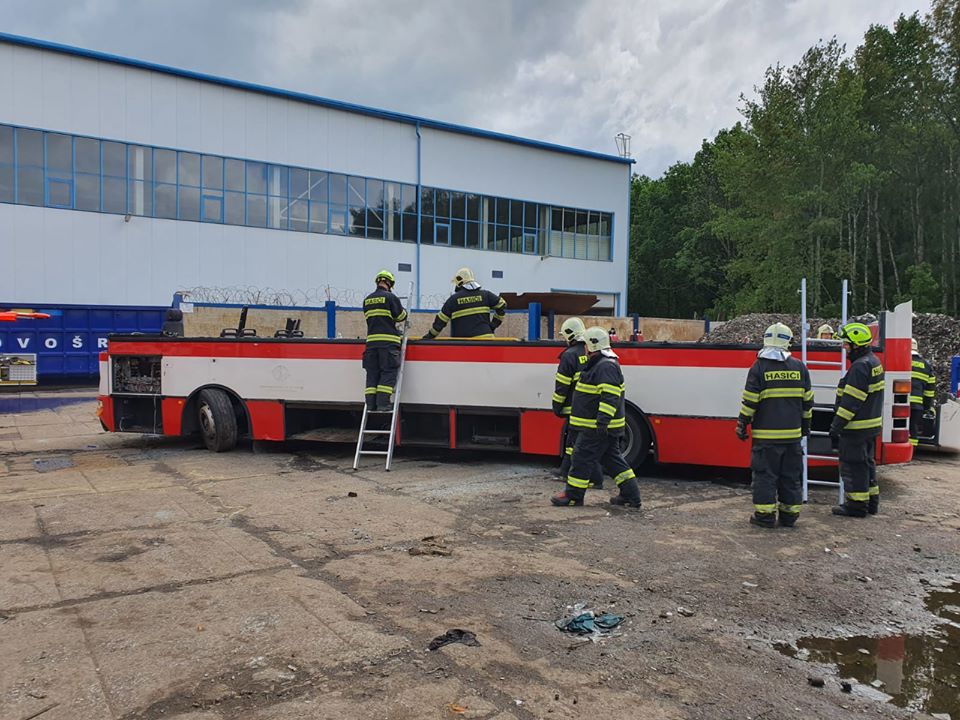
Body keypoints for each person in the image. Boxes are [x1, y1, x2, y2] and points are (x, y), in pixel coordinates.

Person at [551, 327, 641, 508]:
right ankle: (630, 495)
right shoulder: (600, 364)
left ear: (592, 346)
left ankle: (573, 496)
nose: (583, 347)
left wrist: (602, 421)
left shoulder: (605, 366)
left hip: (595, 427)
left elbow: (610, 396)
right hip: (599, 426)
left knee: (580, 458)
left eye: (585, 344)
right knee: (613, 461)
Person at [735, 322, 813, 528]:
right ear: (788, 342)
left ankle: (765, 517)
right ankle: (789, 517)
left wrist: (742, 424)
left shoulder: (759, 367)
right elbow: (808, 403)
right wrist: (805, 427)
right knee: (791, 477)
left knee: (765, 477)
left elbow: (750, 402)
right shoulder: (800, 367)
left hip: (766, 438)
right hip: (792, 437)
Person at [830, 322, 884, 517]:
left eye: (847, 344)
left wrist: (836, 426)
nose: (845, 347)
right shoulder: (873, 362)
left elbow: (851, 403)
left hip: (856, 428)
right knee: (867, 464)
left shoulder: (860, 367)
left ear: (857, 345)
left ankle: (856, 506)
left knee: (854, 466)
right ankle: (871, 503)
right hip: (870, 426)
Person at [551, 318, 602, 488]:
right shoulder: (590, 352)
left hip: (574, 408)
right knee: (573, 440)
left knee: (577, 442)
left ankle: (592, 478)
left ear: (569, 335)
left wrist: (557, 406)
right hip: (590, 406)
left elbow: (562, 386)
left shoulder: (569, 355)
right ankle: (565, 470)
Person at [362, 270, 407, 411]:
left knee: (372, 373)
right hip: (388, 343)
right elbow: (400, 317)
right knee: (388, 372)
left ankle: (370, 404)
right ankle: (383, 404)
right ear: (389, 283)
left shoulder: (367, 300)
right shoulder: (390, 297)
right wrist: (404, 311)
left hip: (371, 343)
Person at [423, 267, 507, 339]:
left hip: (464, 344)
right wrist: (493, 325)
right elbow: (502, 305)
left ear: (459, 282)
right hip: (487, 341)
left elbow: (440, 321)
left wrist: (429, 336)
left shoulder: (453, 299)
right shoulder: (486, 295)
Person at [909, 339, 937, 448]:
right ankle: (912, 451)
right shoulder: (926, 366)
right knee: (913, 428)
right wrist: (926, 407)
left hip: (899, 402)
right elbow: (929, 391)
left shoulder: (901, 360)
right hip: (917, 406)